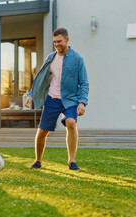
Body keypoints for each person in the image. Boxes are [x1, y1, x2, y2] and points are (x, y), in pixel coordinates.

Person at [25, 27, 89, 171]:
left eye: (59, 41)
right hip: (52, 99)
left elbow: (84, 82)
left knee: (71, 123)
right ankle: (38, 161)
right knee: (42, 131)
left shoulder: (77, 58)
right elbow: (40, 79)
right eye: (54, 42)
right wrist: (31, 94)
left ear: (67, 39)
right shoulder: (51, 58)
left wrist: (82, 102)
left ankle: (72, 161)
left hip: (70, 100)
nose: (57, 44)